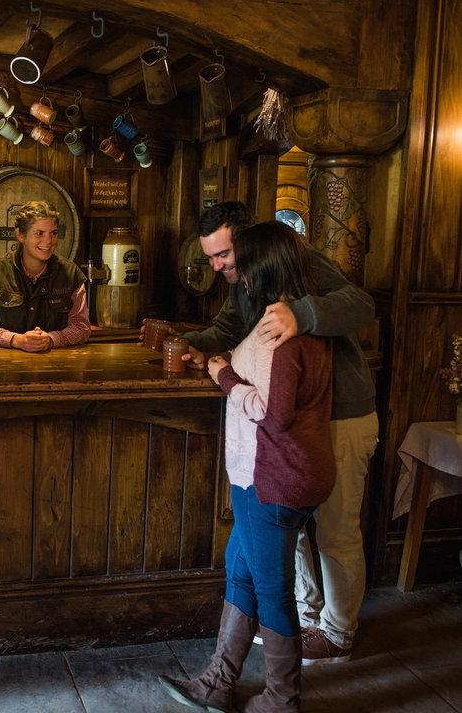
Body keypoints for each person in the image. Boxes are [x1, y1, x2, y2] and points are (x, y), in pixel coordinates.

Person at [182, 201, 378, 666]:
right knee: (287, 525)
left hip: (342, 415)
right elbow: (231, 326)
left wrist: (302, 313)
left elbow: (361, 303)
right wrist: (194, 345)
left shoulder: (295, 259)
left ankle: (337, 633)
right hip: (297, 421)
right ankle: (307, 618)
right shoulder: (245, 279)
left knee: (335, 530)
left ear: (251, 243)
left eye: (224, 255)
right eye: (210, 258)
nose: (219, 267)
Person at [159, 220, 336, 713]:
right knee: (242, 576)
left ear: (265, 265)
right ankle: (218, 681)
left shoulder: (283, 330)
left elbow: (274, 413)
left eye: (244, 262)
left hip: (272, 478)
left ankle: (282, 700)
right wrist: (225, 362)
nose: (235, 273)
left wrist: (222, 376)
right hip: (272, 477)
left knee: (272, 590)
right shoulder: (295, 320)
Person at [0, 200, 90, 352]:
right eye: (39, 233)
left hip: (57, 367)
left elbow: (81, 327)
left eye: (53, 233)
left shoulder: (71, 274)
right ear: (20, 235)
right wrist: (17, 340)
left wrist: (52, 339)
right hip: (5, 369)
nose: (48, 241)